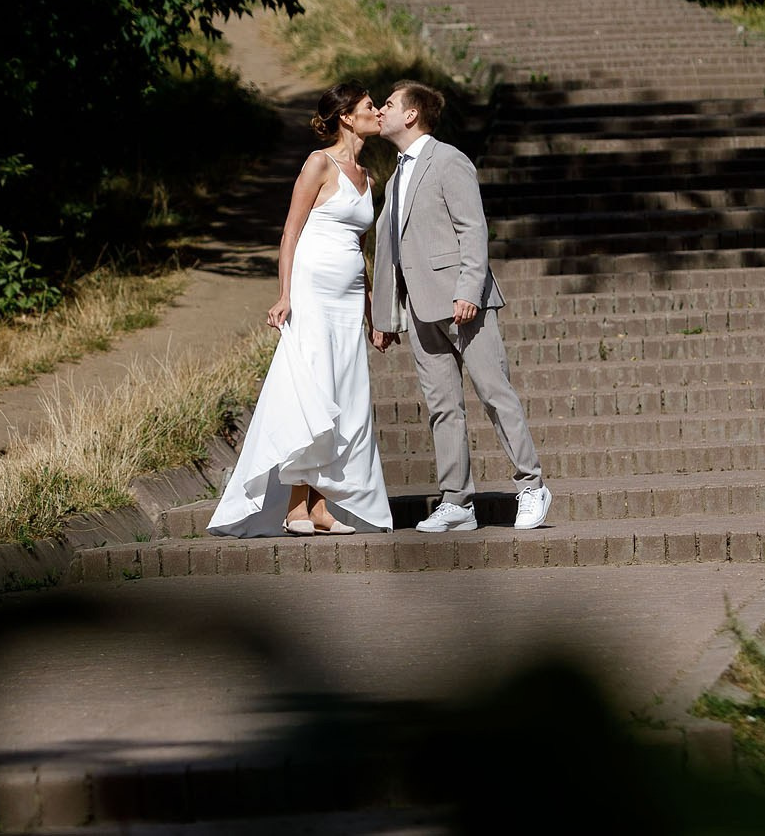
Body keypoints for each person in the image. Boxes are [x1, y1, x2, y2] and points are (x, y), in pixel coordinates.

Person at [209, 82, 394, 537]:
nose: (378, 111)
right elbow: (290, 233)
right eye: (371, 106)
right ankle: (295, 506)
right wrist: (284, 294)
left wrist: (373, 313)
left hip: (350, 299)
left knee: (344, 396)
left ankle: (320, 506)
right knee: (311, 391)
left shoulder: (370, 176)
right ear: (348, 117)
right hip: (312, 292)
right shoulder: (319, 163)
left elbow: (360, 250)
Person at [368, 79, 550, 532]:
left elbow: (473, 229)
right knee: (442, 406)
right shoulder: (395, 176)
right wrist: (388, 316)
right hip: (420, 311)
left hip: (464, 303)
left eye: (388, 104)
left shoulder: (448, 160)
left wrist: (469, 289)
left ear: (411, 114)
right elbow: (389, 250)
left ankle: (531, 485)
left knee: (494, 393)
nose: (381, 111)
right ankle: (457, 502)